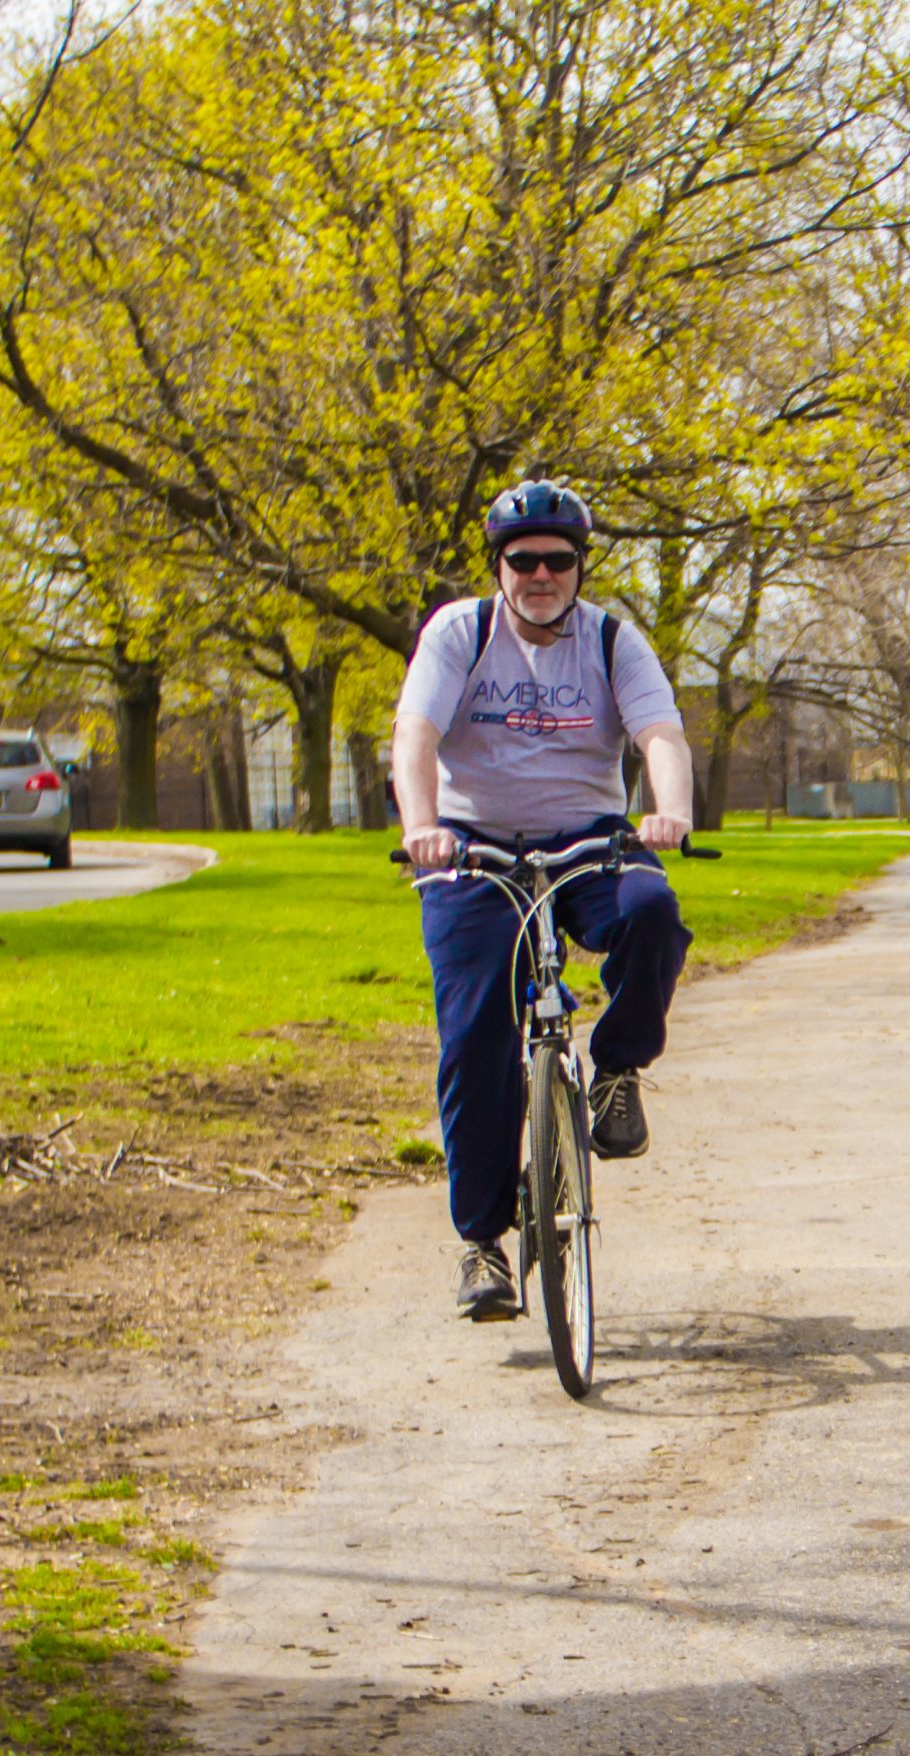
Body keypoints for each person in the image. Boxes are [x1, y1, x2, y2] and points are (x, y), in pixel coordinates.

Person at [393, 480, 697, 1321]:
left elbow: (660, 733)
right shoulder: (460, 633)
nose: (540, 575)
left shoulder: (610, 640)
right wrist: (422, 827)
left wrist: (670, 811)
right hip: (472, 846)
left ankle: (618, 1072)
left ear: (578, 567)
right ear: (498, 566)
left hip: (586, 839)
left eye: (557, 561)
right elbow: (416, 734)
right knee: (475, 1036)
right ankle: (482, 1245)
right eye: (522, 560)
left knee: (651, 912)